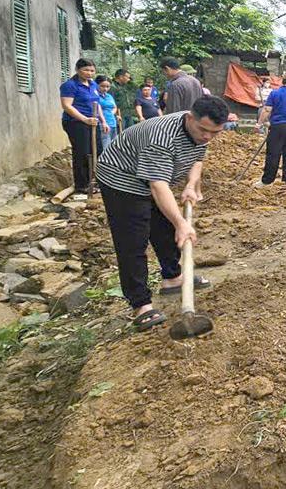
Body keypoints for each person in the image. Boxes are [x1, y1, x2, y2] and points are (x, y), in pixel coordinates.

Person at [96, 96, 229, 331]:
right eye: (204, 130)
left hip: (154, 178)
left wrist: (191, 184)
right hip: (122, 177)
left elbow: (197, 158)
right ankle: (141, 304)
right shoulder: (162, 138)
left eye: (215, 133)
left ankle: (172, 278)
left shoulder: (202, 132)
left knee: (164, 228)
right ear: (190, 118)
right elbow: (158, 186)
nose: (207, 137)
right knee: (133, 239)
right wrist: (181, 222)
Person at [59, 58, 104, 196]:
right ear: (78, 70)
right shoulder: (70, 85)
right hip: (76, 123)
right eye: (86, 70)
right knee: (82, 152)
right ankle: (82, 184)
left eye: (92, 70)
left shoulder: (93, 85)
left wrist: (103, 120)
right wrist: (84, 119)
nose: (89, 73)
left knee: (98, 150)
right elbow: (67, 106)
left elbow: (97, 104)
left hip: (93, 122)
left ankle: (95, 180)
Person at [95, 75, 120, 147]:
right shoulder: (95, 96)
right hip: (101, 124)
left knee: (113, 145)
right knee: (106, 146)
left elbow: (114, 107)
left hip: (112, 122)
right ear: (96, 84)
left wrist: (112, 113)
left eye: (107, 87)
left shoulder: (109, 96)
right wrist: (103, 121)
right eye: (102, 86)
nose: (105, 89)